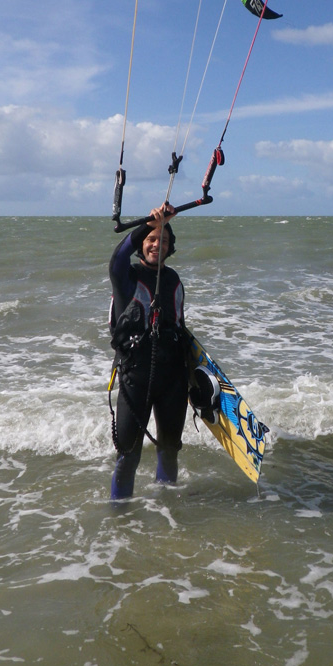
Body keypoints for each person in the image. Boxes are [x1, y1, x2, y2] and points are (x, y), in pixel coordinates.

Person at [108, 203, 189, 500]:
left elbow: (181, 328)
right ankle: (120, 520)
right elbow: (116, 257)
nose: (157, 244)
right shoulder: (126, 277)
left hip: (173, 380)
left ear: (171, 247)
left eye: (164, 240)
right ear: (142, 244)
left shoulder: (174, 279)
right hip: (135, 379)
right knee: (128, 456)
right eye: (152, 239)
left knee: (169, 450)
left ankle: (166, 507)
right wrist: (151, 222)